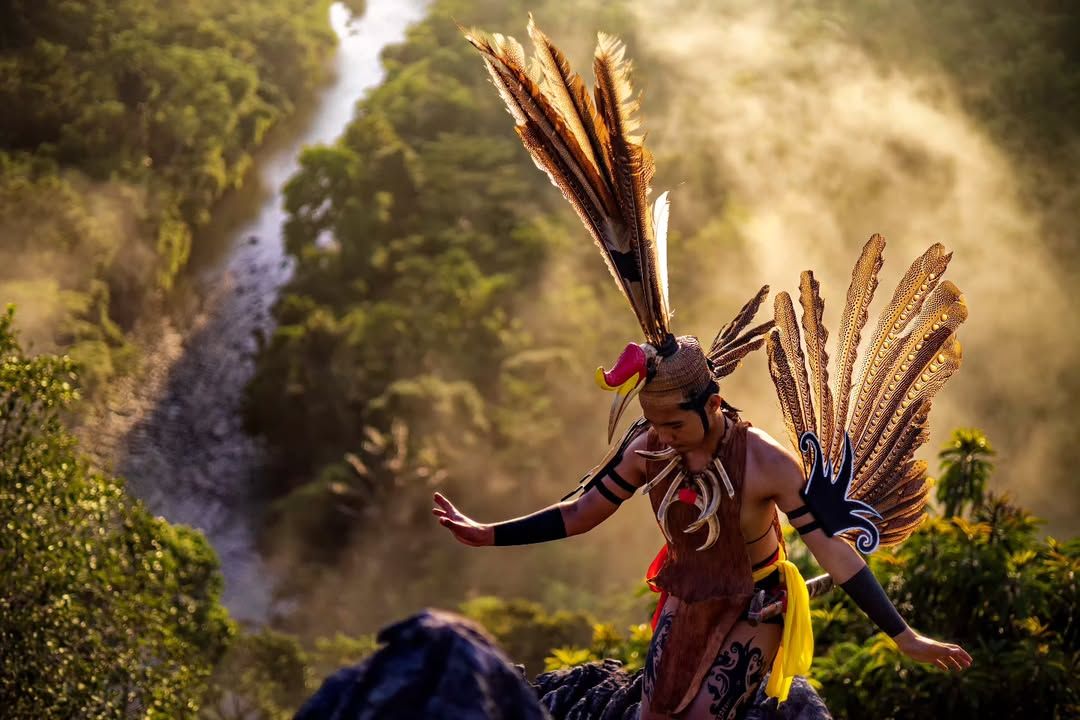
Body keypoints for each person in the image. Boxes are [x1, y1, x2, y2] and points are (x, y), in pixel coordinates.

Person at [435, 19, 973, 719]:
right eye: (653, 423)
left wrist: (905, 636)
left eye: (675, 424)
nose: (663, 436)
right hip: (687, 597)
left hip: (758, 603)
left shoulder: (764, 463)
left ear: (712, 405)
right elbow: (582, 512)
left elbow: (834, 554)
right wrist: (489, 533)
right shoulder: (649, 449)